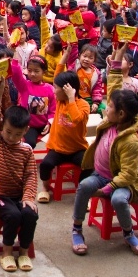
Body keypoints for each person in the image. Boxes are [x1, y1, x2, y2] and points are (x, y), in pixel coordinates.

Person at [70, 43, 138, 257]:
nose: (107, 108)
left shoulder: (131, 142)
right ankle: (77, 229)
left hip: (123, 183)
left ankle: (128, 233)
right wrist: (120, 52)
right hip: (100, 175)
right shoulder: (111, 122)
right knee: (84, 186)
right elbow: (114, 83)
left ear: (121, 114)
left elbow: (128, 174)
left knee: (117, 199)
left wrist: (106, 190)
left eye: (110, 107)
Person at [0, 104, 38, 272]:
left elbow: (30, 175)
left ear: (25, 131)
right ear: (2, 127)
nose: (11, 137)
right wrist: (0, 90)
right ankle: (7, 251)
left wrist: (28, 196)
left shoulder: (27, 151)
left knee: (30, 214)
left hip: (19, 196)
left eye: (17, 134)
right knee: (13, 215)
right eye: (8, 132)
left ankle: (23, 252)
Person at [36, 71, 89, 204]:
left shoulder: (83, 105)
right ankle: (46, 188)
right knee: (45, 165)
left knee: (88, 166)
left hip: (77, 148)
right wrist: (66, 53)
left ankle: (83, 193)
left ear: (67, 89)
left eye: (56, 87)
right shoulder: (60, 101)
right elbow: (59, 71)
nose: (54, 91)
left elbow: (76, 119)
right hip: (58, 148)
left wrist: (71, 98)